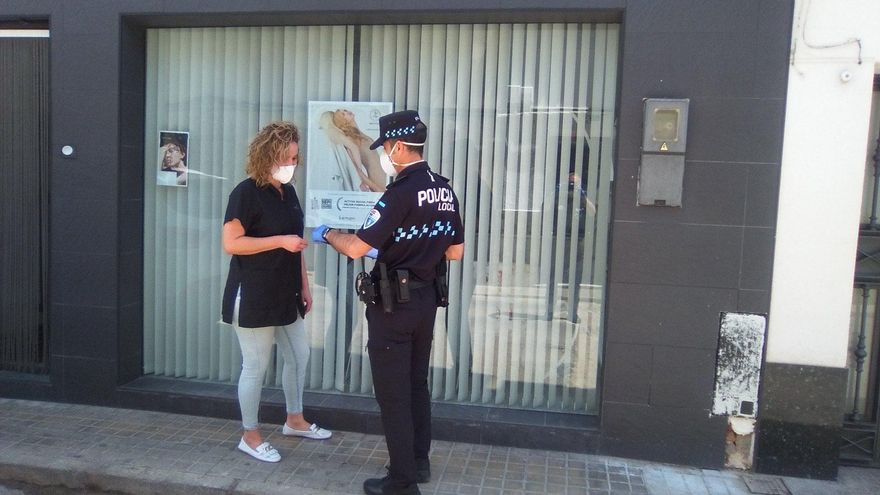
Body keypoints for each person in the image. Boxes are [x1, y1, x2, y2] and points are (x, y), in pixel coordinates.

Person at [312, 110, 464, 495]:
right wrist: (419, 248)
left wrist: (327, 233)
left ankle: (402, 482)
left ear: (398, 147)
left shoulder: (399, 194)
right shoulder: (444, 189)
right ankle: (418, 463)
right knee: (416, 385)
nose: (384, 155)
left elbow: (357, 247)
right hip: (426, 301)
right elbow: (456, 252)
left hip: (393, 306)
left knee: (393, 395)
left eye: (385, 148)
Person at [221, 121, 331, 464]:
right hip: (253, 293)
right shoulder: (245, 193)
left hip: (286, 292)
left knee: (299, 355)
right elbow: (231, 243)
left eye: (295, 158)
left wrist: (304, 285)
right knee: (256, 365)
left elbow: (295, 244)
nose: (291, 164)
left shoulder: (288, 193)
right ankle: (250, 435)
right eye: (286, 157)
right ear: (267, 155)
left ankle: (294, 420)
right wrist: (279, 241)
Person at [319, 109, 387, 192]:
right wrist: (377, 189)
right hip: (378, 180)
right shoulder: (350, 140)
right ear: (342, 121)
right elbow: (357, 171)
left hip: (386, 176)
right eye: (343, 115)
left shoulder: (359, 135)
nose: (347, 112)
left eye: (345, 111)